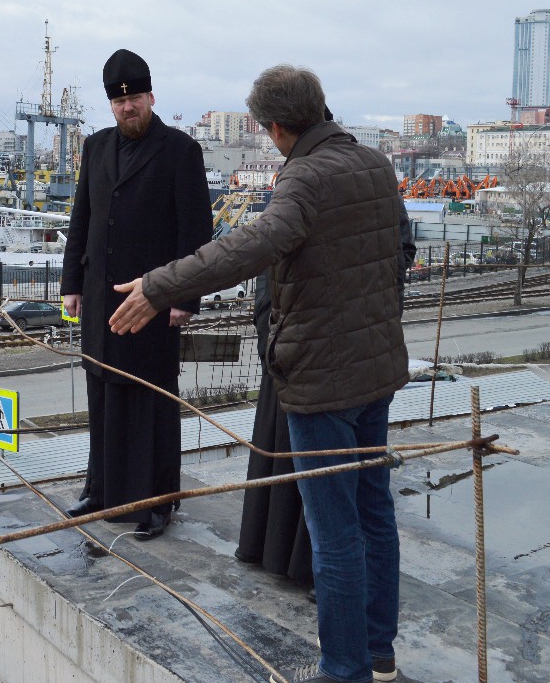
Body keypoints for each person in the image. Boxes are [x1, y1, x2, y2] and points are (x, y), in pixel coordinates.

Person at [110, 64, 407, 683]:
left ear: (275, 128)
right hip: (376, 370)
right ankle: (378, 653)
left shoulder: (304, 180)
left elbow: (243, 248)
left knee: (335, 535)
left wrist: (159, 285)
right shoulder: (376, 166)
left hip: (322, 380)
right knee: (375, 515)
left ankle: (343, 670)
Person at [235, 111, 415, 600]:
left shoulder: (313, 178)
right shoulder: (362, 172)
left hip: (325, 353)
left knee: (336, 498)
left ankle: (345, 643)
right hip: (299, 341)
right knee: (346, 492)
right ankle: (372, 645)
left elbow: (397, 252)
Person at [60, 48, 212, 540]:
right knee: (102, 392)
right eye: (119, 102)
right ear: (111, 104)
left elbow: (195, 232)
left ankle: (157, 501)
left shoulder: (180, 150)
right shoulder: (97, 146)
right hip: (102, 300)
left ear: (151, 96)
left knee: (150, 398)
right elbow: (80, 217)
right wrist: (71, 284)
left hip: (153, 300)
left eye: (136, 99)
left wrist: (184, 299)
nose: (128, 108)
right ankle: (99, 488)